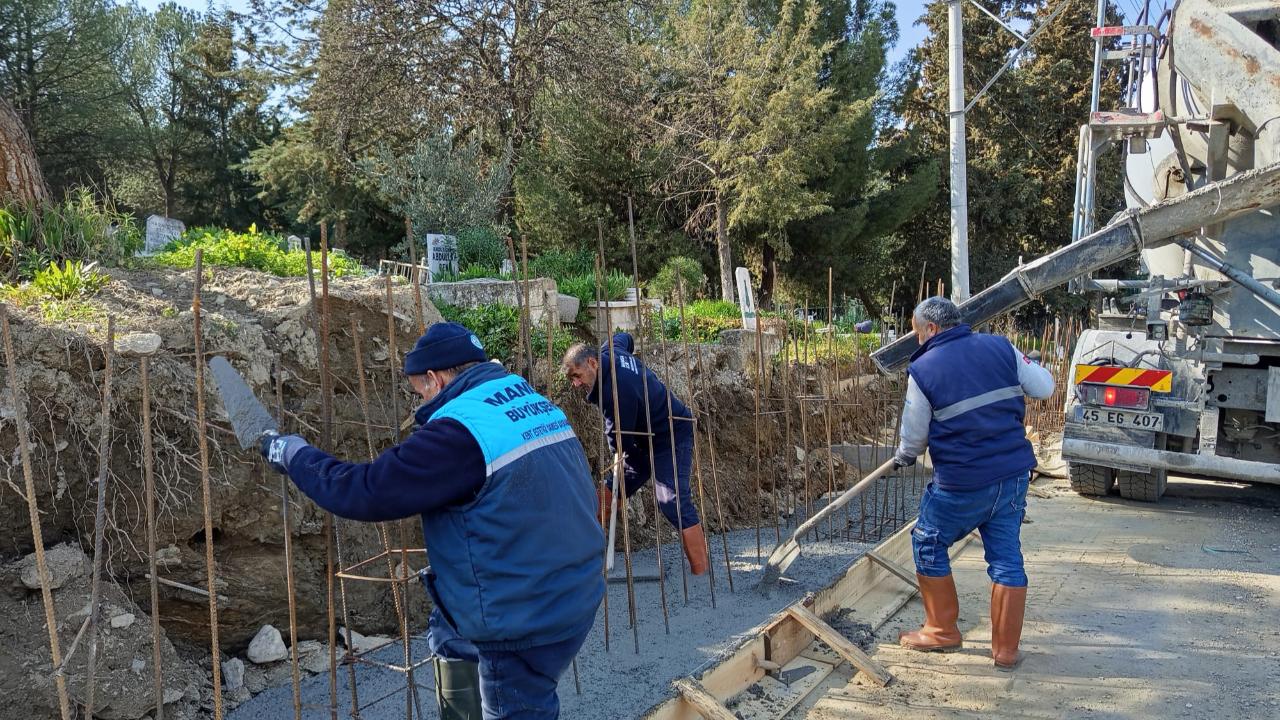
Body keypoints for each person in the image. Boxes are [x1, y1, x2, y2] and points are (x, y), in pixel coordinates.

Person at [261, 321, 605, 720]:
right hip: (575, 592)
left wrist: (294, 454)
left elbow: (364, 490)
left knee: (519, 704)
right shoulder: (530, 401)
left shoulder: (460, 433)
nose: (419, 402)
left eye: (419, 391)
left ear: (435, 378)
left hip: (525, 624)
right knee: (449, 626)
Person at [891, 297, 1054, 670]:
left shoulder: (924, 368)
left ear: (931, 329)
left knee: (929, 541)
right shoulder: (1000, 347)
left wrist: (904, 455)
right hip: (1012, 477)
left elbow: (915, 437)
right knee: (1007, 557)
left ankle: (941, 629)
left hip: (962, 482)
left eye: (917, 333)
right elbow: (1044, 387)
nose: (917, 341)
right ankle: (1006, 652)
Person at [562, 333, 708, 575]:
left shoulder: (616, 392)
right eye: (571, 379)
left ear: (592, 363)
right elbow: (625, 338)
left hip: (670, 433)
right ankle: (584, 553)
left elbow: (618, 440)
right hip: (641, 437)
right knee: (611, 489)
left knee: (671, 500)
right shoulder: (610, 350)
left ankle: (700, 570)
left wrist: (620, 455)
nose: (576, 384)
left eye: (577, 376)